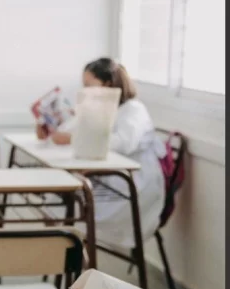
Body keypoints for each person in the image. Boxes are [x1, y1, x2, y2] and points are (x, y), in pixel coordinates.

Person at [36, 58, 166, 248]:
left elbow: (123, 143)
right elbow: (70, 131)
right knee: (56, 203)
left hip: (131, 185)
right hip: (105, 178)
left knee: (70, 208)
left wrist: (73, 139)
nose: (85, 91)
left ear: (108, 83)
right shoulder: (98, 107)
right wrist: (48, 129)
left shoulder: (133, 110)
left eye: (89, 85)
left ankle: (71, 260)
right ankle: (64, 261)